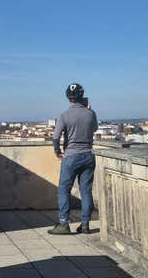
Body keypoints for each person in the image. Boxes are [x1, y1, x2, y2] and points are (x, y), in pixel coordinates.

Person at [48, 83, 98, 235]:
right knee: (86, 191)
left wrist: (58, 152)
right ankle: (85, 224)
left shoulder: (64, 115)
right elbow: (94, 129)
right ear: (82, 96)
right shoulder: (91, 114)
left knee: (64, 190)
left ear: (68, 97)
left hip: (71, 156)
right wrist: (89, 109)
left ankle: (64, 223)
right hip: (88, 155)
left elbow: (55, 137)